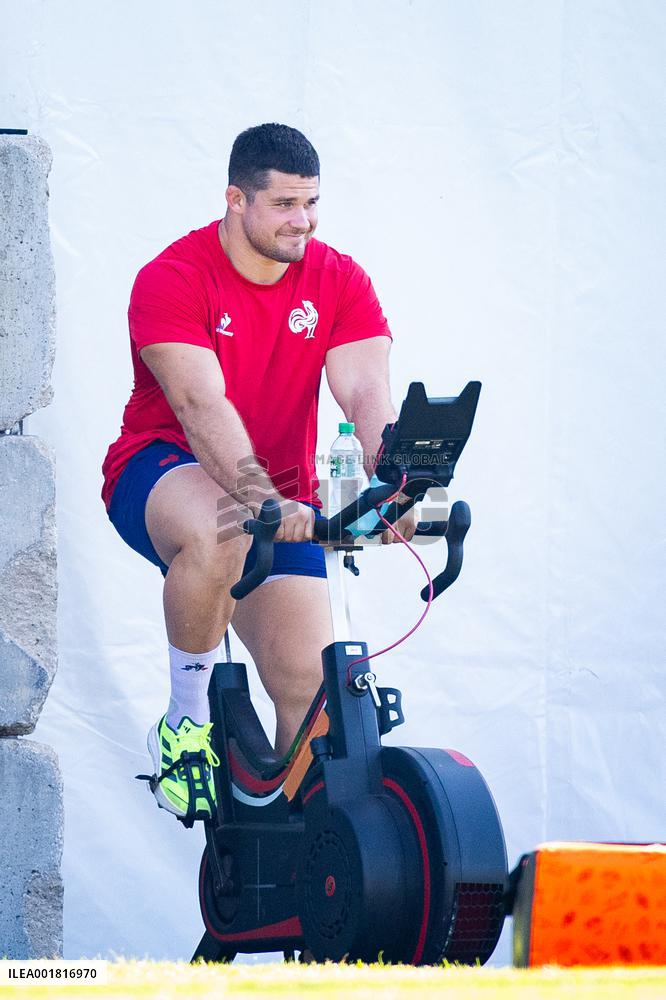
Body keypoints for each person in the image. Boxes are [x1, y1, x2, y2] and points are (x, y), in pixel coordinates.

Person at [101, 123, 416, 820]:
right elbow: (198, 403)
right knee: (225, 527)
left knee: (313, 691)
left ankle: (293, 861)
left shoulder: (339, 278)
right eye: (284, 204)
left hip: (280, 498)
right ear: (236, 199)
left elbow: (366, 391)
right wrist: (260, 497)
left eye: (311, 203)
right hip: (162, 467)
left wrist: (395, 476)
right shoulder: (173, 277)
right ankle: (186, 722)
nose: (303, 221)